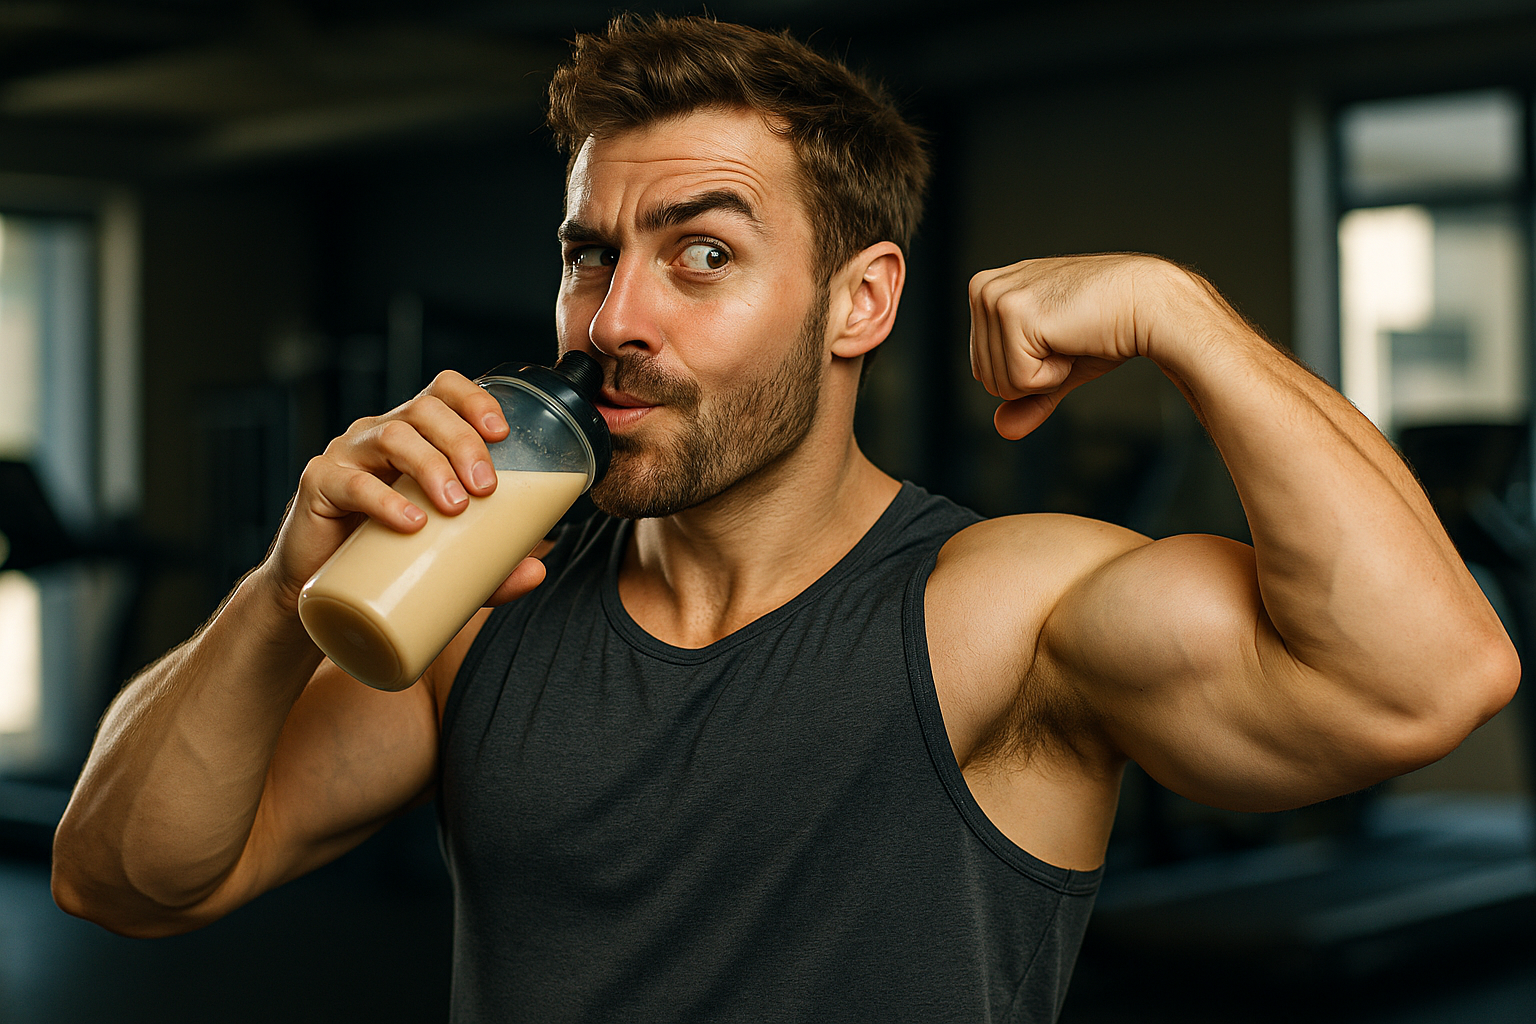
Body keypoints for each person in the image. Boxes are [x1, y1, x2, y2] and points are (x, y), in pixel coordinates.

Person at [52, 13, 1518, 1023]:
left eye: (700, 254)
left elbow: (1431, 677)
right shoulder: (477, 618)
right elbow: (123, 878)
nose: (612, 318)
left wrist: (1184, 318)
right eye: (590, 257)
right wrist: (276, 586)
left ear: (857, 302)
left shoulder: (1001, 610)